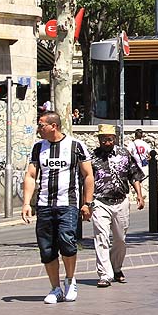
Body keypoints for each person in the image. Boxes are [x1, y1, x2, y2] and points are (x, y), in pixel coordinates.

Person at [23, 111, 95, 304]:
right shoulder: (38, 147)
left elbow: (88, 175)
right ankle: (55, 288)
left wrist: (87, 203)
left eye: (41, 125)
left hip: (68, 203)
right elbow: (31, 176)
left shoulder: (76, 146)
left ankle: (70, 281)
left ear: (53, 126)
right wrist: (26, 203)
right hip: (45, 205)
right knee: (47, 249)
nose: (39, 129)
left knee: (67, 242)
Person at [90, 124, 145, 288]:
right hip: (100, 202)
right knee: (101, 238)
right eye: (103, 139)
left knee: (120, 240)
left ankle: (116, 268)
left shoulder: (124, 154)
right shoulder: (92, 157)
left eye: (109, 139)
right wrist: (85, 204)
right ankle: (105, 275)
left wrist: (140, 195)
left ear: (114, 138)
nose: (106, 142)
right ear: (99, 139)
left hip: (121, 202)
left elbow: (134, 175)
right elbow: (86, 180)